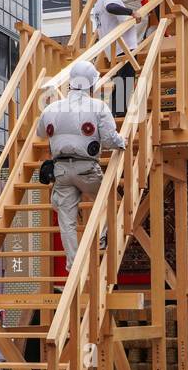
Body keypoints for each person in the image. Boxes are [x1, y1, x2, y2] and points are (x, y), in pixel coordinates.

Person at [37, 60, 125, 270]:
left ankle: (73, 264)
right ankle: (102, 236)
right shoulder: (98, 106)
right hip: (87, 168)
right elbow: (111, 139)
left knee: (66, 219)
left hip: (61, 171)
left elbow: (40, 133)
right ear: (91, 85)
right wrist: (123, 142)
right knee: (108, 200)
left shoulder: (51, 108)